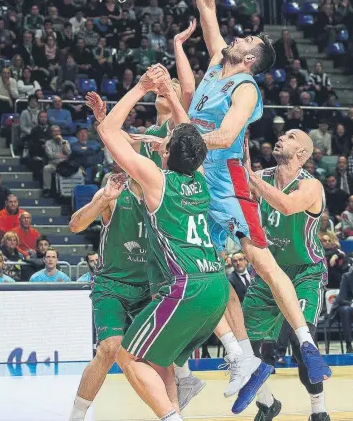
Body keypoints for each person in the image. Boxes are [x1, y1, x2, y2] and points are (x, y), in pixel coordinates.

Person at [183, 0, 329, 403]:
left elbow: (226, 135)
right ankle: (244, 364)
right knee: (203, 270)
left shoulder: (244, 86)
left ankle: (306, 344)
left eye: (246, 42)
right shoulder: (214, 64)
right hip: (194, 180)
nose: (237, 38)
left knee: (262, 262)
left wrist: (184, 134)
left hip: (225, 181)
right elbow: (205, 4)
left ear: (250, 59)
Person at [88, 73, 229, 421]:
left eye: (165, 143)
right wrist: (171, 95)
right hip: (217, 287)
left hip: (186, 288)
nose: (160, 142)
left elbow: (108, 132)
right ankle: (185, 384)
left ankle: (172, 417)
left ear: (165, 153)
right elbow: (190, 138)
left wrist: (141, 88)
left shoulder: (157, 181)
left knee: (127, 354)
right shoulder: (199, 177)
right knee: (158, 359)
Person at [240, 128, 331, 420]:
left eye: (291, 137)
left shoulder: (311, 185)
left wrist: (251, 179)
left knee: (301, 341)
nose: (281, 137)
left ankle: (318, 409)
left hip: (305, 272)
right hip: (269, 271)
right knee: (248, 347)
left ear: (302, 154)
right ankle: (268, 403)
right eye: (282, 135)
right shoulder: (261, 176)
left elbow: (288, 206)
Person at [68, 174, 149, 420]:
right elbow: (75, 225)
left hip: (149, 285)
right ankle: (77, 414)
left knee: (163, 354)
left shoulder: (160, 188)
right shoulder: (114, 192)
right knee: (109, 348)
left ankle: (174, 410)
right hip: (112, 283)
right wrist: (103, 199)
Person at [43, 125, 72, 197]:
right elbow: (50, 155)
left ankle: (68, 191)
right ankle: (47, 190)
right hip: (54, 165)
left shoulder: (65, 142)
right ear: (51, 133)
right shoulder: (48, 143)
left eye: (58, 131)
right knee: (46, 168)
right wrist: (61, 155)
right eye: (54, 131)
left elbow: (68, 153)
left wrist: (62, 142)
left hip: (64, 165)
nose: (56, 133)